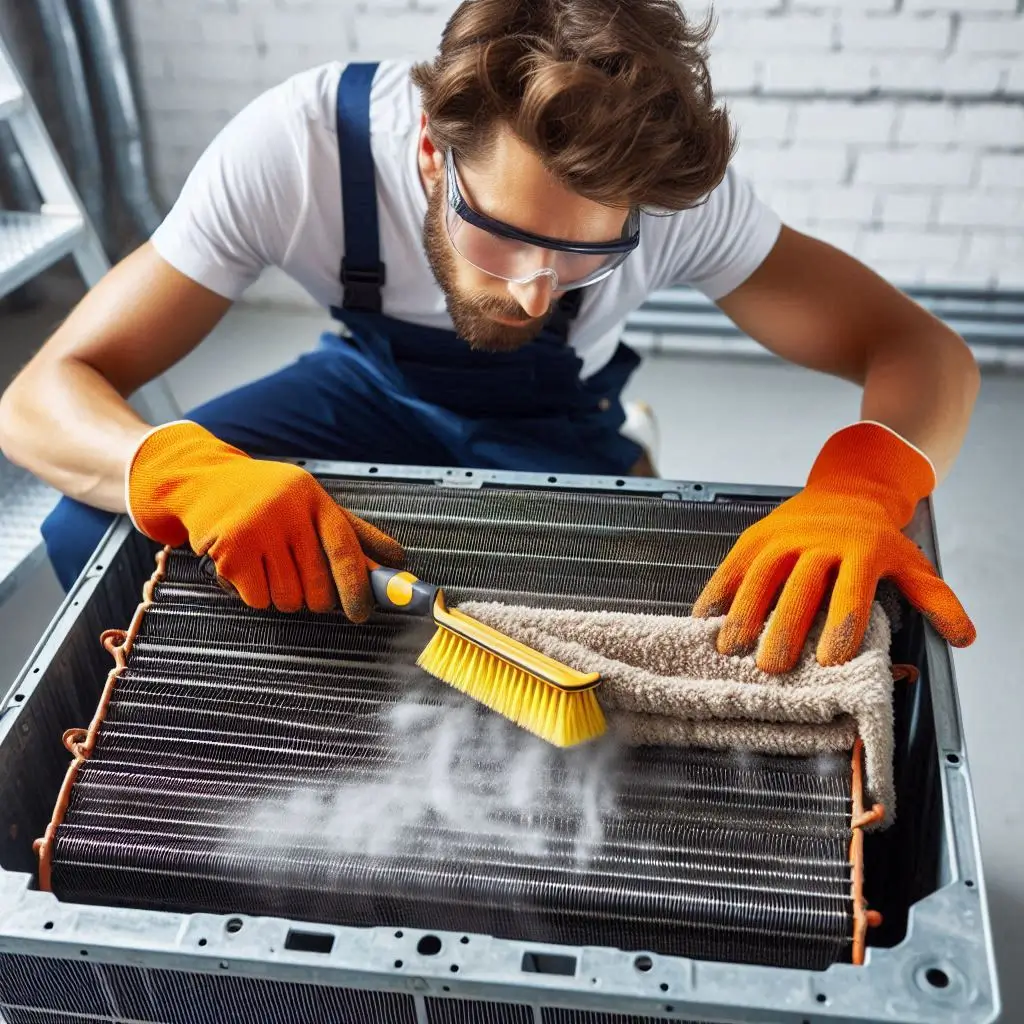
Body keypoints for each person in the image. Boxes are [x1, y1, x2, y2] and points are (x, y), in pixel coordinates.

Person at [0, 0, 977, 673]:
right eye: (504, 236)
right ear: (430, 151)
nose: (533, 293)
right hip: (367, 393)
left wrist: (861, 485)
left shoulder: (673, 201)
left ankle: (622, 446)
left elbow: (918, 350)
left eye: (580, 258)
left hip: (553, 423)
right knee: (95, 529)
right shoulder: (293, 148)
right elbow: (43, 394)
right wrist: (185, 475)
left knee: (673, 637)